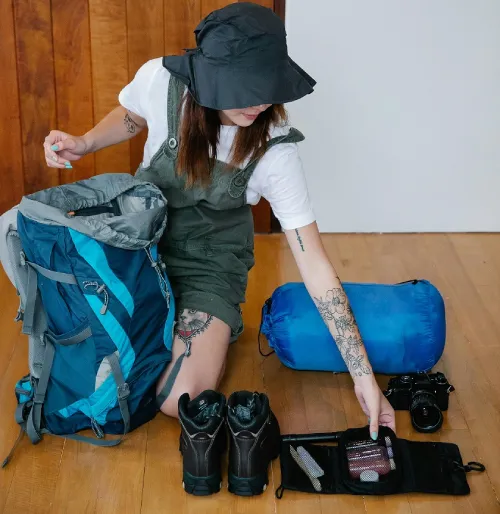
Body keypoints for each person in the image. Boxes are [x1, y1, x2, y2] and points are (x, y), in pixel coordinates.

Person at [43, 2, 395, 440]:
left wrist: (364, 379)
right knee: (83, 352)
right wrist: (85, 141)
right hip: (140, 244)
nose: (262, 101)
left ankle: (210, 327)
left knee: (177, 400)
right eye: (247, 87)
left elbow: (315, 265)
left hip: (210, 264)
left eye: (268, 85)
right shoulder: (161, 79)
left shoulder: (275, 150)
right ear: (211, 78)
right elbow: (133, 114)